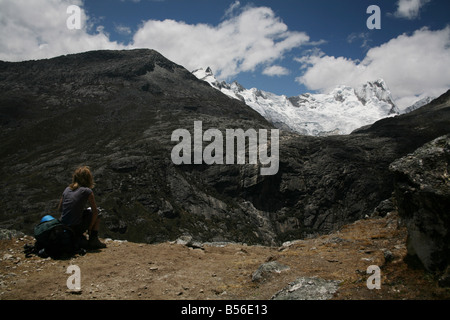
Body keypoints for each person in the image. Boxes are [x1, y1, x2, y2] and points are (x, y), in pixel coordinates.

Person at [58, 166, 106, 249]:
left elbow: (60, 209)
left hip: (63, 225)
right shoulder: (87, 191)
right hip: (76, 227)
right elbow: (95, 212)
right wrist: (90, 227)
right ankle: (93, 240)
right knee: (99, 212)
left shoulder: (67, 189)